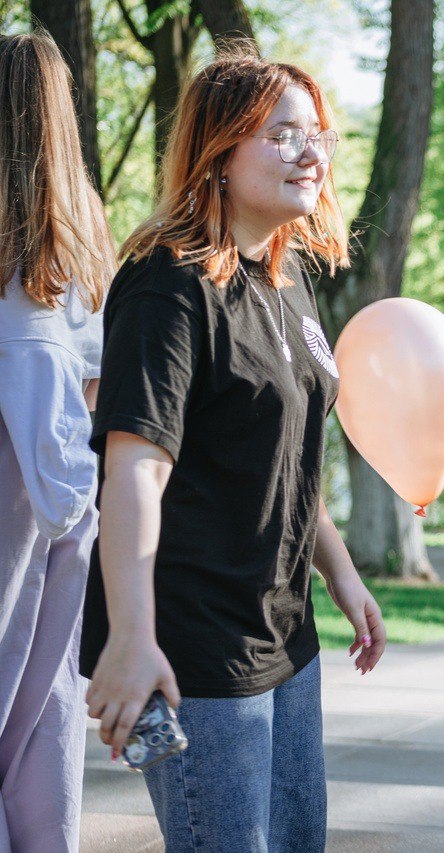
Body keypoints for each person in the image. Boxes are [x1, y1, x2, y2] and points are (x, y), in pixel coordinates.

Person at [80, 49, 386, 853]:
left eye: (317, 134)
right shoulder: (165, 282)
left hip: (288, 637)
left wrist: (342, 573)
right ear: (218, 151)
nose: (311, 152)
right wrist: (131, 637)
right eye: (284, 135)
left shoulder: (289, 280)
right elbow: (133, 473)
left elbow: (289, 458)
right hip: (196, 649)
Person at [0, 31, 115, 853]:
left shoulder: (31, 264)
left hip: (32, 516)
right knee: (43, 726)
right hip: (61, 525)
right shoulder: (79, 245)